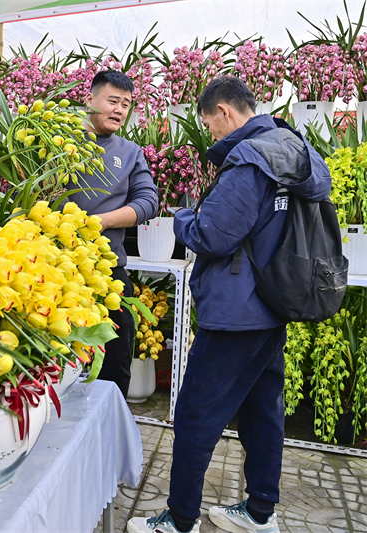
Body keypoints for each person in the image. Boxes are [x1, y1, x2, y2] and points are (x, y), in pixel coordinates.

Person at [127, 78, 332, 533]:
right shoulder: (293, 147)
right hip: (273, 302)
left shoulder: (249, 160)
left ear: (224, 111)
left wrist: (183, 217)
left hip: (236, 312)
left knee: (196, 415)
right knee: (262, 413)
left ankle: (180, 519)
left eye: (210, 127)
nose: (213, 136)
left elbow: (212, 236)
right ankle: (260, 511)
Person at [66, 70, 158, 399]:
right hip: (58, 269)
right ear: (89, 99)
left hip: (108, 273)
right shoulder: (61, 141)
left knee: (115, 361)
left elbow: (148, 203)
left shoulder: (131, 152)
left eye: (126, 104)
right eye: (113, 100)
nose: (120, 109)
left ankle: (110, 432)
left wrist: (103, 221)